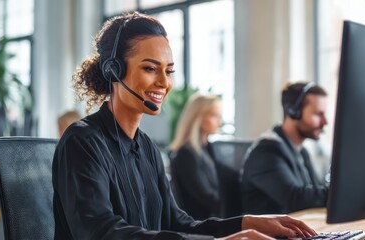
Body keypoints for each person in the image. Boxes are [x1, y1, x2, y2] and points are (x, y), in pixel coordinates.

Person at [52, 12, 316, 239]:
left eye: (168, 71)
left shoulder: (146, 148)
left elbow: (179, 224)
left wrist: (248, 222)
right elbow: (100, 233)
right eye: (150, 68)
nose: (164, 83)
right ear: (113, 71)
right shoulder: (82, 142)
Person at [241, 82, 329, 214]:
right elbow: (294, 199)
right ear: (294, 112)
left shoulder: (301, 151)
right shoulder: (266, 151)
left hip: (299, 229)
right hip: (270, 234)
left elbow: (315, 190)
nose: (325, 121)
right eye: (318, 114)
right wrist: (343, 194)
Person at [169, 94, 223, 219]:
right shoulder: (186, 154)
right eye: (215, 116)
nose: (219, 122)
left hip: (213, 221)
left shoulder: (208, 149)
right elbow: (206, 198)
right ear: (198, 117)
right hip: (200, 226)